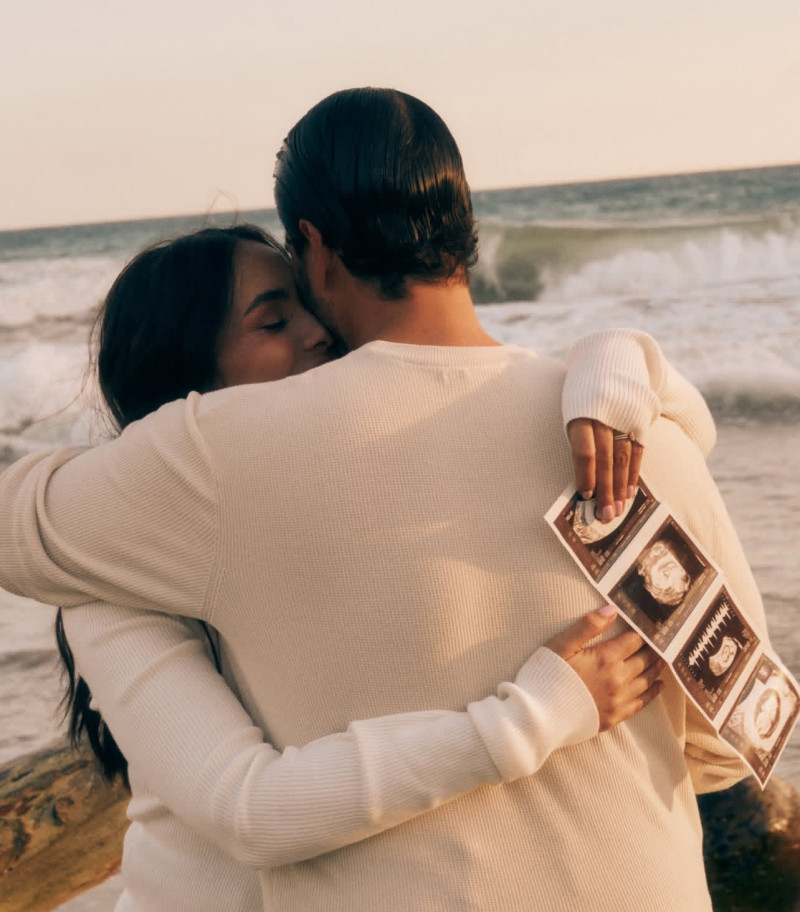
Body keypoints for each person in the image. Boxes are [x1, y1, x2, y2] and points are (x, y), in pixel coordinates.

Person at [0, 88, 767, 911]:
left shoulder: (218, 463)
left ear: (316, 249)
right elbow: (731, 742)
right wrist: (633, 363)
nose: (312, 336)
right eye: (271, 318)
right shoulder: (640, 441)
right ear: (467, 229)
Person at [48, 222, 679, 911]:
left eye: (310, 307)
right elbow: (248, 810)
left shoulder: (330, 506)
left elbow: (688, 441)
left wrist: (616, 361)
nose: (319, 333)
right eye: (274, 322)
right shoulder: (112, 581)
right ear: (187, 385)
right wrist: (535, 717)